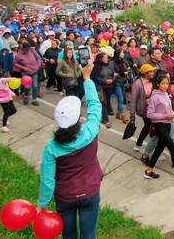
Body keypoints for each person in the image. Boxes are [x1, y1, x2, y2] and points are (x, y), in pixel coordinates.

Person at [37, 62, 102, 239]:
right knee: (89, 235)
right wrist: (87, 79)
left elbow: (48, 179)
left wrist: (43, 203)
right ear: (78, 118)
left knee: (69, 235)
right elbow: (95, 106)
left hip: (65, 196)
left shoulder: (52, 148)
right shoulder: (90, 131)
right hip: (90, 191)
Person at [144, 72, 174, 182]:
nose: (165, 86)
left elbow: (169, 108)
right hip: (159, 125)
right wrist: (164, 116)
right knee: (173, 148)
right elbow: (149, 114)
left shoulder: (166, 94)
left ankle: (149, 171)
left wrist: (172, 114)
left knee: (160, 148)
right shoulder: (155, 97)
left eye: (167, 83)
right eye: (163, 83)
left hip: (167, 123)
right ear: (158, 84)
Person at [91, 52, 115, 128]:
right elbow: (95, 77)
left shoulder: (110, 65)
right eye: (105, 57)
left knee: (107, 102)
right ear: (101, 59)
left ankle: (103, 117)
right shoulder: (96, 66)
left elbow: (114, 74)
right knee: (103, 103)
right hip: (100, 87)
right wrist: (104, 81)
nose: (107, 59)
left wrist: (112, 79)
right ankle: (106, 120)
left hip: (109, 87)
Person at [111, 49, 131, 123]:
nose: (123, 54)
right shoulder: (112, 62)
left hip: (123, 81)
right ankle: (123, 115)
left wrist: (127, 73)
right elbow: (113, 72)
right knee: (120, 98)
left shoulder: (124, 61)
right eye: (122, 52)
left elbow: (128, 68)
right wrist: (122, 73)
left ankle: (118, 113)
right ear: (118, 54)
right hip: (117, 81)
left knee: (122, 97)